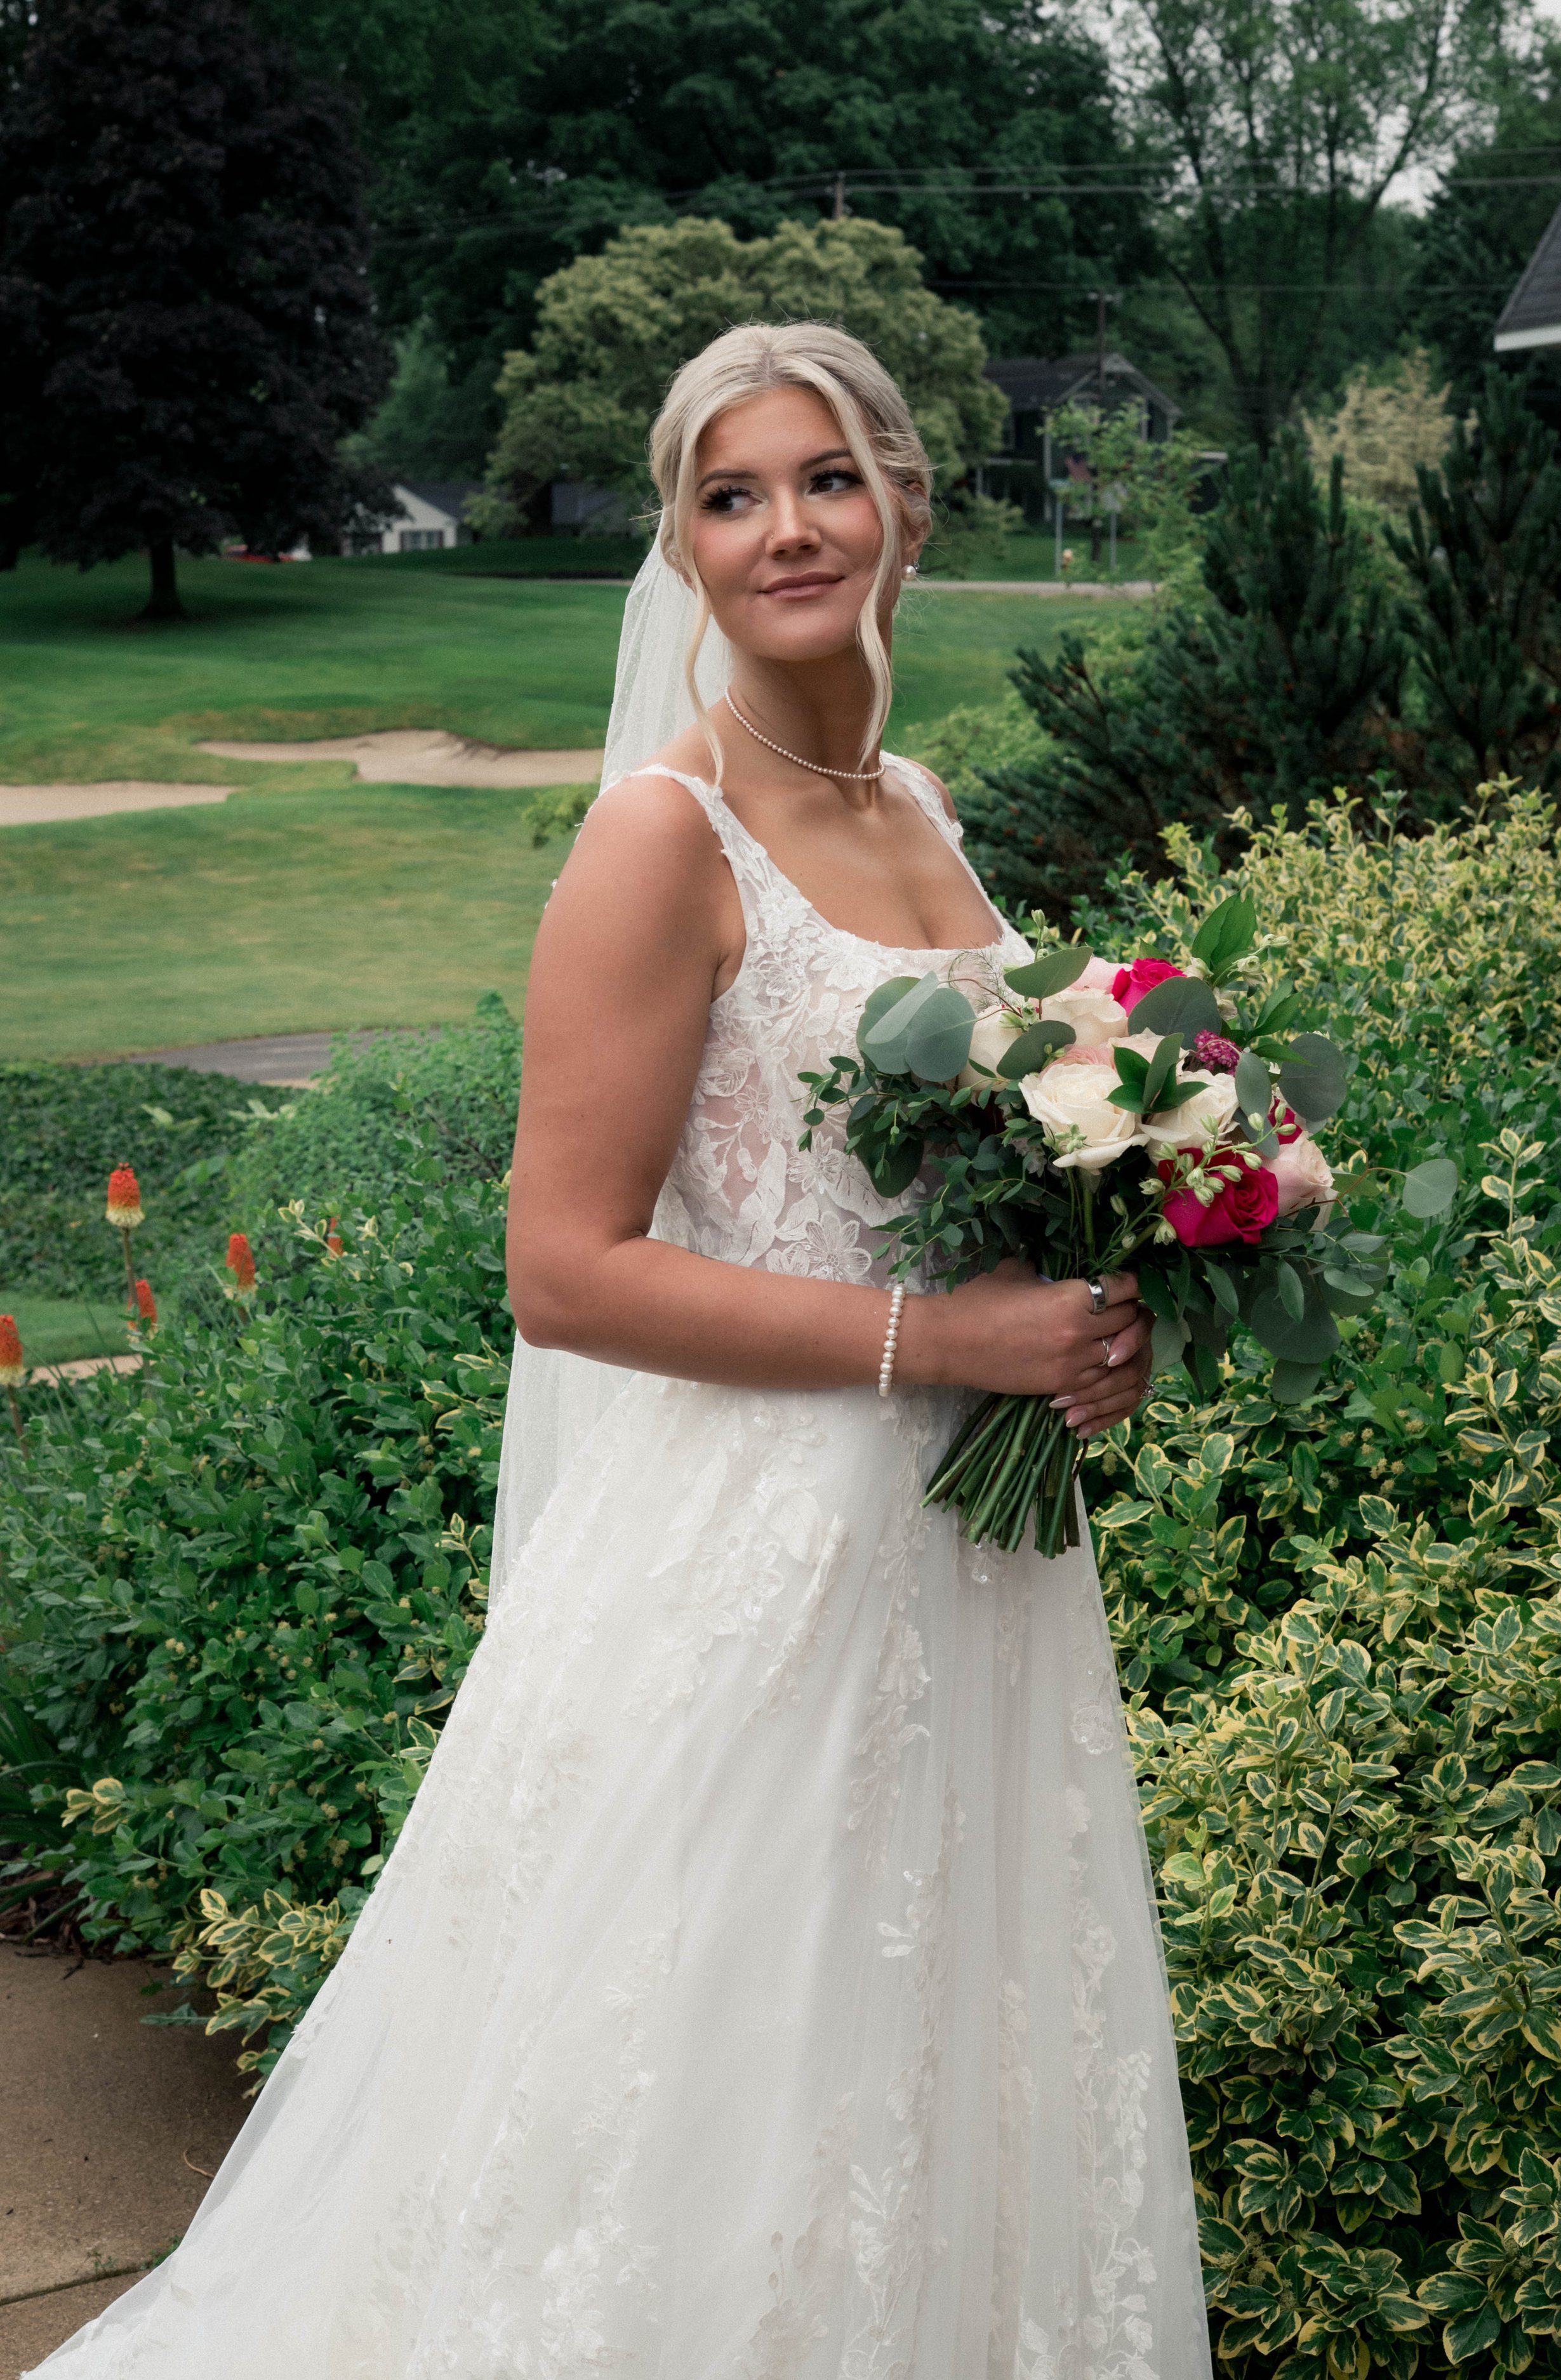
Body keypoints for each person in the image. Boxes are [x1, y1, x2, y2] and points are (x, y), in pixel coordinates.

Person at [34, 322, 1212, 2379]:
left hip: (961, 1563)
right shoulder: (664, 839)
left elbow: (968, 1166)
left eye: (825, 479)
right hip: (749, 1564)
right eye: (729, 496)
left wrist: (1096, 1305)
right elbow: (563, 1271)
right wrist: (950, 1335)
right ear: (674, 542)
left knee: (930, 2057)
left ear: (906, 507)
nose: (786, 530)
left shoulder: (916, 802)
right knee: (713, 2084)